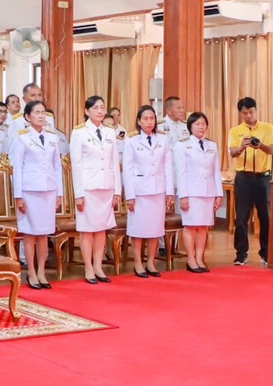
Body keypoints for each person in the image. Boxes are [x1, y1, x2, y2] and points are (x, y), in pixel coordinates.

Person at [9, 100, 61, 289]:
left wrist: (59, 193)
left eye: (43, 112)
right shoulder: (22, 138)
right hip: (29, 191)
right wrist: (18, 196)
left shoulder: (53, 138)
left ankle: (41, 272)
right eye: (37, 112)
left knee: (44, 234)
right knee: (30, 234)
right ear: (27, 117)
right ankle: (31, 271)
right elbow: (18, 168)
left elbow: (57, 166)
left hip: (48, 190)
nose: (41, 116)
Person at [69, 94, 121, 284]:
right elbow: (76, 164)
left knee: (101, 229)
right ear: (86, 111)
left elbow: (114, 161)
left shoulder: (109, 132)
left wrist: (117, 190)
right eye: (95, 108)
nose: (100, 111)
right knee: (87, 230)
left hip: (106, 187)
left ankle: (98, 266)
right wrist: (78, 194)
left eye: (102, 107)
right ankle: (88, 268)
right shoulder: (79, 132)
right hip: (88, 187)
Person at [122, 104, 173, 278]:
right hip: (139, 191)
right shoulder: (132, 140)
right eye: (145, 118)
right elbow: (127, 170)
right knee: (138, 229)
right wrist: (129, 195)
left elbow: (168, 166)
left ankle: (151, 262)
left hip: (158, 190)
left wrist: (170, 192)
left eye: (152, 118)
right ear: (139, 121)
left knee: (155, 229)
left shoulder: (163, 139)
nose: (149, 122)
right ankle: (138, 262)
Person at [227, 96, 273, 267]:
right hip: (243, 178)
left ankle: (266, 253)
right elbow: (232, 152)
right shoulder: (235, 131)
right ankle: (241, 254)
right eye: (244, 113)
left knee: (266, 217)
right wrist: (242, 147)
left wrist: (260, 145)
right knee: (241, 217)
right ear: (240, 113)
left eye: (251, 112)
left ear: (256, 110)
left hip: (263, 178)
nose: (248, 115)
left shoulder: (267, 128)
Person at [173, 111, 221, 273]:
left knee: (203, 227)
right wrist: (183, 196)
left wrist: (218, 194)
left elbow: (216, 171)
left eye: (203, 124)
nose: (201, 127)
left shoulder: (212, 145)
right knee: (191, 226)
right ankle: (191, 259)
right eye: (197, 124)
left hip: (208, 192)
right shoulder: (182, 145)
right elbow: (180, 172)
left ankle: (200, 258)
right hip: (191, 192)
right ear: (190, 127)